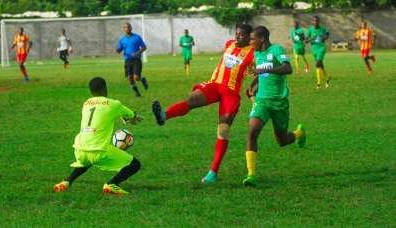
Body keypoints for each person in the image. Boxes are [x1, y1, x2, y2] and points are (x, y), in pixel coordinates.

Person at [152, 24, 255, 183]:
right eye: (236, 34)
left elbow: (264, 71)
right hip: (215, 84)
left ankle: (213, 172)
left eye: (241, 35)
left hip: (231, 92)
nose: (236, 37)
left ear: (249, 37)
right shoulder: (229, 44)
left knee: (223, 130)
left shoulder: (254, 53)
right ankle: (164, 115)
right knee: (192, 99)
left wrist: (252, 87)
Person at [54, 76, 144, 195]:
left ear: (91, 92)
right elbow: (131, 115)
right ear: (105, 89)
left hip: (80, 150)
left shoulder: (86, 104)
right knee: (135, 165)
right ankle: (112, 184)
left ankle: (67, 181)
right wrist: (134, 117)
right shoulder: (113, 104)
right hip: (99, 151)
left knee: (88, 159)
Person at [242, 26, 306, 187]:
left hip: (279, 102)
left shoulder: (276, 50)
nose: (250, 42)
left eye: (252, 39)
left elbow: (287, 68)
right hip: (262, 100)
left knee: (282, 141)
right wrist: (252, 86)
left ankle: (299, 133)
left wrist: (263, 70)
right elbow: (262, 73)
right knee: (252, 132)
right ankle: (251, 174)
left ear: (261, 38)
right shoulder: (257, 53)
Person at [116, 23, 149, 97]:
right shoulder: (122, 39)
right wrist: (117, 50)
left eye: (128, 27)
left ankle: (142, 79)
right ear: (124, 29)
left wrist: (137, 52)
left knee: (136, 77)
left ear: (131, 28)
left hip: (136, 60)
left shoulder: (137, 37)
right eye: (125, 27)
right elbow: (119, 49)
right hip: (127, 61)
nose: (127, 28)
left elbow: (144, 47)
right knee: (129, 78)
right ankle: (137, 93)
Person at [305, 16, 331, 89]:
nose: (315, 22)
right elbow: (306, 41)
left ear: (319, 21)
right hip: (314, 50)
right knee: (321, 65)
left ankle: (319, 83)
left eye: (317, 21)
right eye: (314, 21)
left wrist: (324, 38)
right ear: (312, 22)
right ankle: (328, 78)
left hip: (321, 48)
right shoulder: (310, 30)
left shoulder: (323, 29)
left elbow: (327, 33)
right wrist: (312, 39)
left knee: (317, 63)